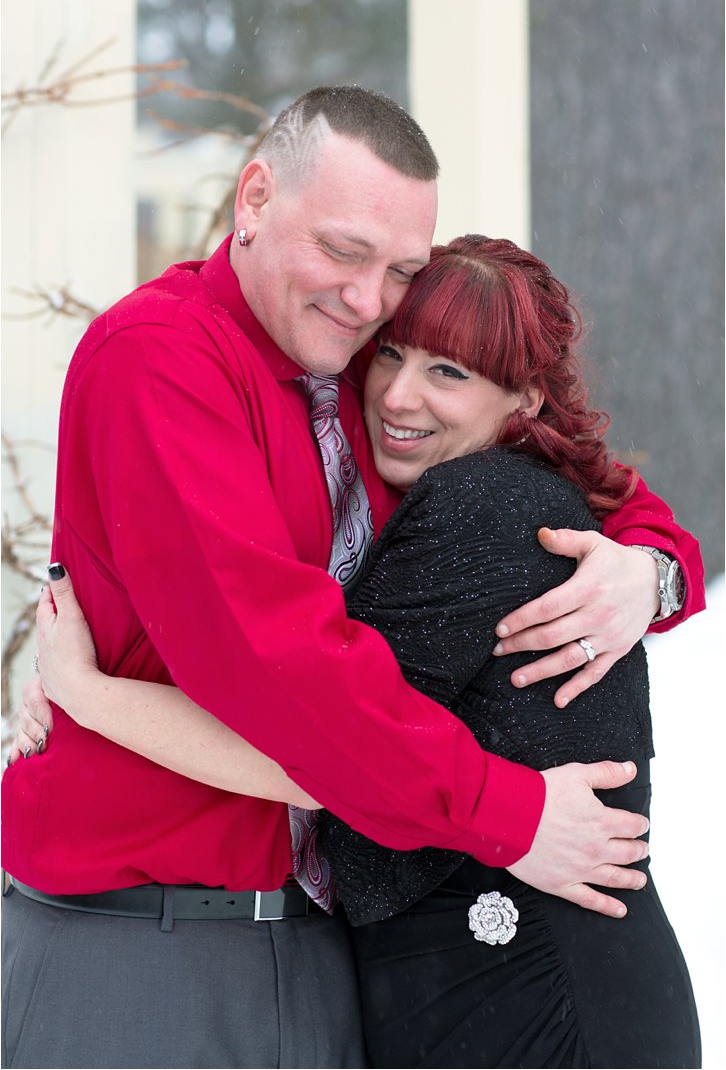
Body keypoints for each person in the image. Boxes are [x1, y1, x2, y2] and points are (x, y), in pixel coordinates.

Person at [1, 86, 704, 1070]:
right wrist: (511, 812)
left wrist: (653, 570)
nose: (371, 300)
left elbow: (566, 480)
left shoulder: (354, 372)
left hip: (320, 950)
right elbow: (297, 689)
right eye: (341, 251)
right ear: (253, 200)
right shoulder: (162, 362)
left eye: (400, 270)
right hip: (150, 940)